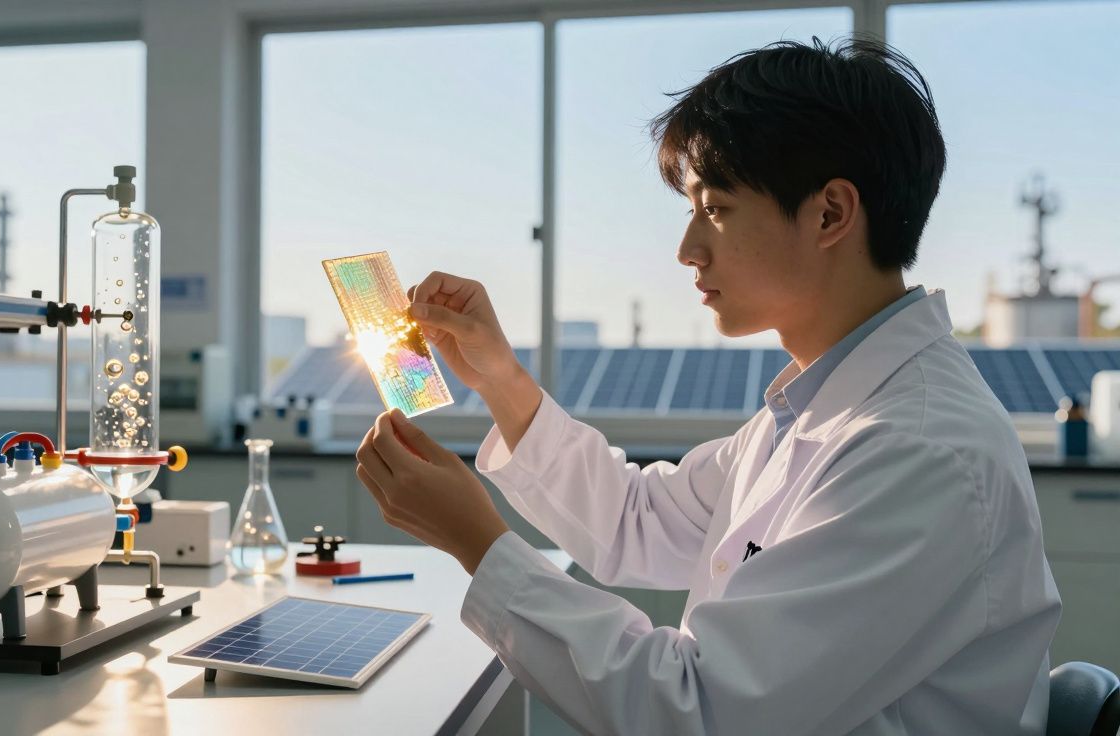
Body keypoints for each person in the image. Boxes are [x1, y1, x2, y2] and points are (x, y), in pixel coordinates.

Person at [353, 37, 1060, 735]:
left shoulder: (918, 451)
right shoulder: (819, 412)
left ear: (831, 214)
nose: (688, 249)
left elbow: (702, 711)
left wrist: (478, 542)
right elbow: (637, 519)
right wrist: (499, 378)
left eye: (715, 208)